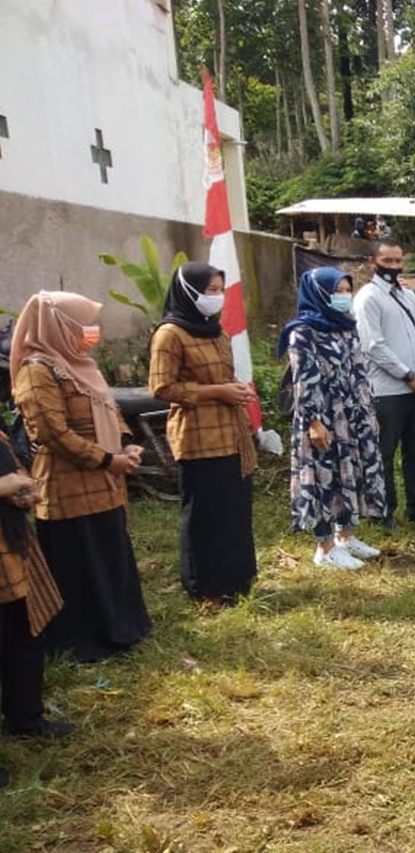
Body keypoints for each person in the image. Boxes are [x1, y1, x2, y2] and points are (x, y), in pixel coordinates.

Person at [14, 291, 152, 656]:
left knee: (109, 552)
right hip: (67, 486)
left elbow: (111, 409)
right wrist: (107, 460)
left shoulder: (82, 364)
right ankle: (83, 641)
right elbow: (51, 433)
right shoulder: (37, 371)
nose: (92, 331)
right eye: (84, 323)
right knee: (80, 559)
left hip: (105, 482)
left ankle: (121, 627)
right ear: (60, 325)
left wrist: (125, 445)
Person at [150, 264, 258, 604]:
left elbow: (223, 377)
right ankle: (206, 587)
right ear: (189, 291)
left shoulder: (215, 330)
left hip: (231, 432)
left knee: (233, 509)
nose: (217, 296)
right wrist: (217, 392)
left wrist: (235, 391)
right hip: (198, 438)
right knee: (205, 515)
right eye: (210, 289)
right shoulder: (170, 334)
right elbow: (162, 387)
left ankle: (237, 579)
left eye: (219, 289)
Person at [279, 267, 386, 570]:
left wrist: (369, 412)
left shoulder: (346, 326)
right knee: (323, 477)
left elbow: (360, 371)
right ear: (319, 293)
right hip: (322, 415)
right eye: (336, 290)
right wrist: (314, 421)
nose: (343, 296)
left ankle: (345, 536)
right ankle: (324, 548)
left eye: (345, 289)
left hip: (351, 413)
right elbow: (304, 380)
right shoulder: (302, 332)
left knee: (349, 472)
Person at [352, 239, 415, 530]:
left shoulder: (408, 297)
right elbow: (373, 346)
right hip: (387, 391)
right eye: (388, 261)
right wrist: (410, 376)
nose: (394, 267)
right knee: (383, 453)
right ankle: (383, 512)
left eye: (398, 261)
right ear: (373, 262)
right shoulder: (367, 298)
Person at [0, 431, 74, 783]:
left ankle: (25, 718)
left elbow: (13, 470)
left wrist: (23, 489)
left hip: (10, 548)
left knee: (25, 631)